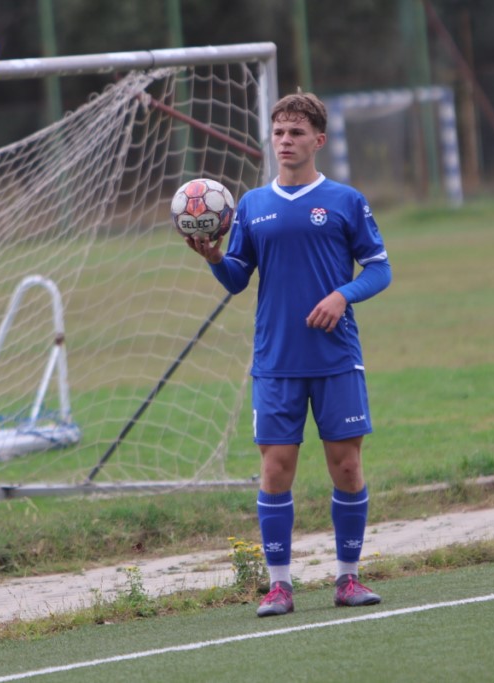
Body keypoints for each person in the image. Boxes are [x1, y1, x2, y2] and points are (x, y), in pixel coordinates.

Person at [185, 92, 392, 617]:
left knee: (346, 466)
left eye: (297, 133)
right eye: (279, 132)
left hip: (336, 357)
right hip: (275, 359)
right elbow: (237, 278)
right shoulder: (252, 205)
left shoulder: (346, 200)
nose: (286, 141)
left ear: (318, 140)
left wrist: (342, 294)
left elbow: (379, 269)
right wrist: (214, 257)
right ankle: (278, 586)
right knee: (276, 470)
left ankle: (347, 580)